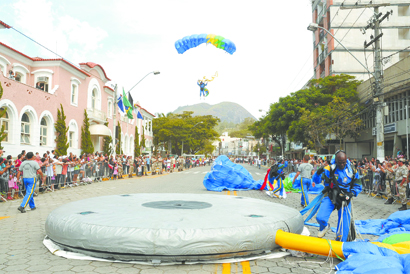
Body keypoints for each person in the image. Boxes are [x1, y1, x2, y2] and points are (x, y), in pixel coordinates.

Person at [316, 150, 362, 242]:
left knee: (343, 228)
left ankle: (340, 243)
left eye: (344, 162)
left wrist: (352, 193)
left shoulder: (352, 170)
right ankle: (325, 227)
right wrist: (318, 173)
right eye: (340, 162)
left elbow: (358, 186)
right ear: (336, 161)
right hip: (331, 196)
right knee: (320, 217)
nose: (342, 164)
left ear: (346, 160)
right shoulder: (330, 169)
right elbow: (316, 181)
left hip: (345, 199)